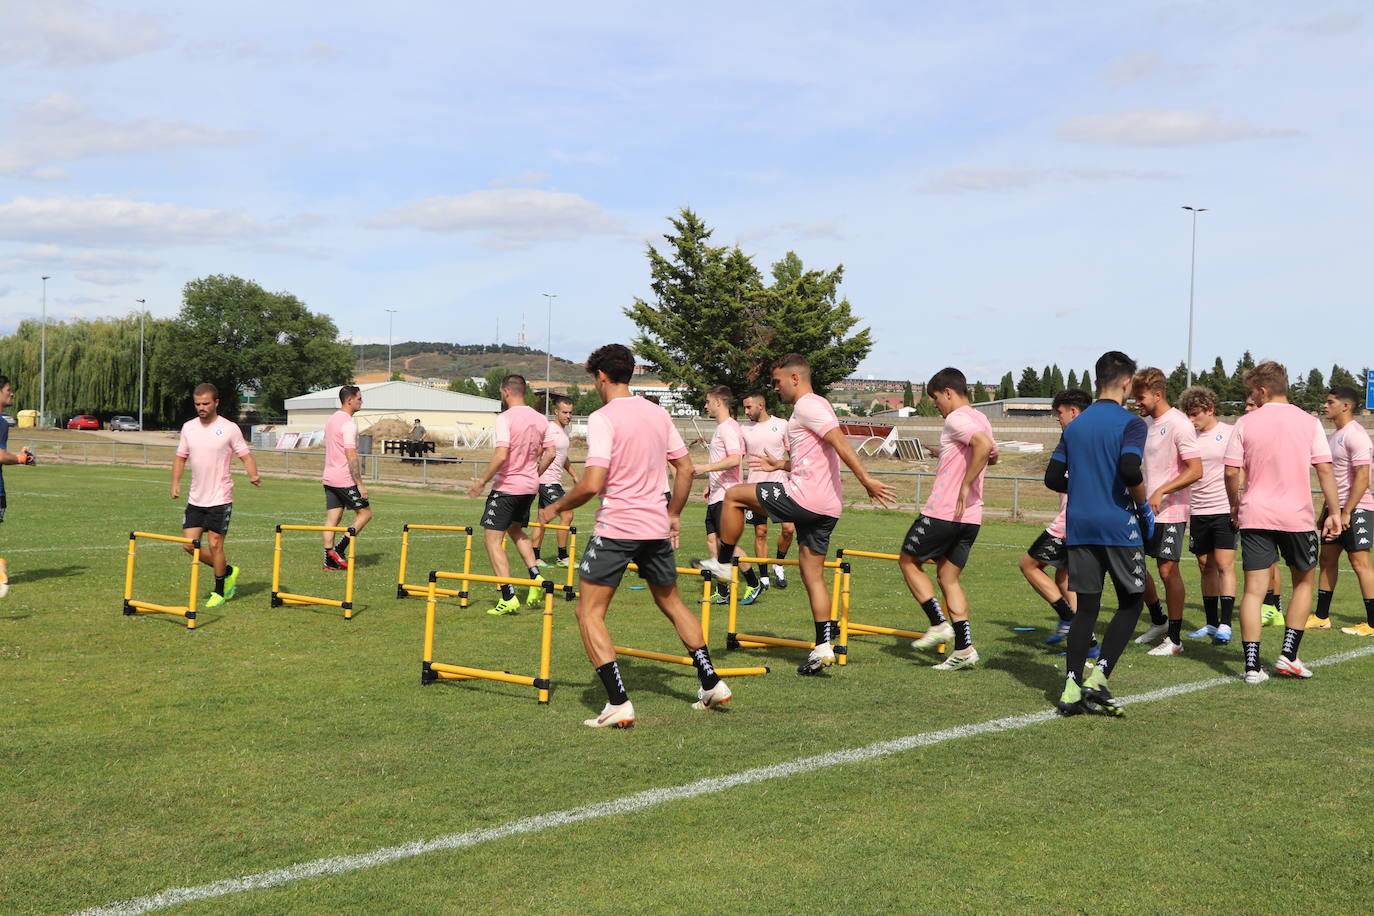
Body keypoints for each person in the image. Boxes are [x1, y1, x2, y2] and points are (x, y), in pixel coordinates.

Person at [539, 344, 731, 728]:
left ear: (602, 377)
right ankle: (711, 681)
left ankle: (618, 702)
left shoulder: (603, 417)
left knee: (588, 611)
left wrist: (554, 507)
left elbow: (593, 482)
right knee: (672, 602)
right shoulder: (657, 413)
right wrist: (673, 514)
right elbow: (686, 469)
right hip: (655, 525)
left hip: (619, 526)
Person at [698, 353, 897, 676]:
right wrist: (782, 465)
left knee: (734, 496)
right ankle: (822, 647)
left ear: (794, 378)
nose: (774, 388)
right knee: (812, 574)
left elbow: (840, 442)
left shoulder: (808, 405)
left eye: (777, 382)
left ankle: (722, 564)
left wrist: (866, 479)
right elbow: (818, 456)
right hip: (826, 506)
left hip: (804, 497)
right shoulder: (811, 410)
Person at [1223, 361, 1341, 682]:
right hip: (1297, 516)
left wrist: (1235, 505)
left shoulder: (1245, 423)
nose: (1252, 397)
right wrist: (1334, 512)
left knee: (1253, 592)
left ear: (1262, 390)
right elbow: (1325, 469)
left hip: (1255, 513)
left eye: (1252, 392)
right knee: (1303, 583)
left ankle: (1251, 667)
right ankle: (1288, 655)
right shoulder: (1309, 422)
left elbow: (1232, 472)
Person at [1047, 351, 1150, 717]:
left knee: (1086, 608)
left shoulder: (1075, 426)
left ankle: (1071, 687)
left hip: (1079, 525)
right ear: (1126, 382)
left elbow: (1052, 479)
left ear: (1097, 381)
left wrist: (1085, 486)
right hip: (1117, 524)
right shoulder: (1131, 423)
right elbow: (1129, 469)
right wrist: (1144, 509)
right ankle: (1098, 676)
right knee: (1132, 601)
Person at [901, 368, 999, 670]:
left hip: (944, 511)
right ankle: (965, 648)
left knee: (908, 560)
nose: (934, 405)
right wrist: (947, 457)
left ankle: (937, 623)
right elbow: (992, 455)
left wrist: (965, 483)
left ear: (948, 392)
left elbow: (981, 447)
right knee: (947, 577)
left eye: (934, 398)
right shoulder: (981, 418)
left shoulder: (956, 418)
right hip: (971, 517)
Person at [1130, 368, 1202, 656]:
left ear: (1158, 394)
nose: (1137, 402)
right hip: (1144, 510)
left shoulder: (1179, 424)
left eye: (1141, 397)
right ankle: (1158, 620)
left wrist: (1162, 490)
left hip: (1171, 510)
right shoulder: (1143, 424)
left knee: (1167, 568)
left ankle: (1174, 639)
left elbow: (1196, 470)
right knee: (1135, 564)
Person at [169, 383, 260, 608]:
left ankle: (219, 591)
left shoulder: (229, 428)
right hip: (196, 498)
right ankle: (228, 571)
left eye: (206, 403)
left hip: (220, 497)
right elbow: (180, 458)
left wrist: (253, 474)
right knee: (189, 545)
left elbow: (245, 456)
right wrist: (175, 483)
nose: (201, 407)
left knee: (215, 545)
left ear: (216, 403)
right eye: (198, 404)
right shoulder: (188, 428)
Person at [466, 375, 547, 614]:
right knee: (515, 530)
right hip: (530, 487)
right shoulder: (541, 419)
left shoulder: (505, 418)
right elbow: (549, 452)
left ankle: (508, 595)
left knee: (491, 539)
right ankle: (536, 577)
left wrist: (482, 481)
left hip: (507, 488)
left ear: (505, 392)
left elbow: (501, 455)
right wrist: (532, 471)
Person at [1019, 388, 1091, 644]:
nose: (1056, 417)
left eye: (1059, 412)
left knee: (1029, 565)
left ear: (1073, 411)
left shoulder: (1077, 439)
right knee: (1064, 577)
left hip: (1070, 521)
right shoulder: (1086, 437)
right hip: (1077, 518)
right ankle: (1080, 636)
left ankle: (1072, 621)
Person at [1179, 385, 1237, 645]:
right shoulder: (1189, 436)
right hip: (1198, 510)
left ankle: (1226, 624)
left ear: (1210, 409)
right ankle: (1211, 624)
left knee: (1224, 564)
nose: (1191, 420)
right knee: (1205, 565)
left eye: (1195, 414)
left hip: (1224, 508)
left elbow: (1240, 468)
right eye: (1188, 414)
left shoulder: (1229, 433)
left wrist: (1239, 501)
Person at [1313, 386, 1374, 635]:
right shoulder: (1335, 435)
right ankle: (1321, 617)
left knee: (1360, 562)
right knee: (1326, 560)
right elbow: (1334, 479)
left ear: (1345, 406)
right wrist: (1326, 511)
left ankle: (1371, 623)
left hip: (1356, 508)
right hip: (1335, 510)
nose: (1325, 406)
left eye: (1330, 402)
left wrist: (1347, 510)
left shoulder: (1356, 435)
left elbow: (1362, 476)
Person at [693, 386, 762, 606]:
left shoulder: (728, 428)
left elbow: (734, 459)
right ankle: (723, 592)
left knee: (726, 543)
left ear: (718, 402)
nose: (705, 406)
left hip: (728, 495)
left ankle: (753, 581)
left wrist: (705, 468)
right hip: (716, 493)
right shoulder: (721, 428)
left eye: (707, 401)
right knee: (712, 540)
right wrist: (710, 486)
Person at [741, 392, 795, 590]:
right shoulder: (743, 429)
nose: (746, 411)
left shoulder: (782, 425)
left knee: (788, 529)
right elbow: (736, 458)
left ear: (761, 405)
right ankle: (763, 576)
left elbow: (793, 456)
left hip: (779, 486)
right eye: (744, 407)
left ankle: (779, 564)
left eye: (749, 407)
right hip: (754, 487)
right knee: (761, 532)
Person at [321, 385, 374, 570]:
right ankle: (339, 550)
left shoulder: (331, 420)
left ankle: (328, 562)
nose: (361, 401)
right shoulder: (348, 423)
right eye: (359, 398)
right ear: (349, 400)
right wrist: (360, 484)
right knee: (365, 514)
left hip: (328, 477)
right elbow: (351, 455)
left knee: (332, 519)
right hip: (344, 478)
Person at [1245, 395, 1286, 625]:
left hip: (1270, 505)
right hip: (1258, 505)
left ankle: (1272, 606)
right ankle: (1273, 608)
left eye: (1252, 404)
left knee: (1269, 562)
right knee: (1269, 561)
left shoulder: (1268, 432)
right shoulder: (1250, 429)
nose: (1247, 408)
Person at [0, 375, 38, 599]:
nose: (11, 393)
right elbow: (1, 455)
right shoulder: (1, 423)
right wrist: (22, 458)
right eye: (8, 390)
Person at [533, 395, 579, 569]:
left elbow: (563, 457)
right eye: (565, 412)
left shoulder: (565, 431)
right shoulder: (550, 429)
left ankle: (535, 556)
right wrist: (533, 473)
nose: (568, 416)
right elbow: (538, 451)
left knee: (542, 519)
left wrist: (574, 475)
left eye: (570, 412)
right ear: (556, 412)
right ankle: (563, 557)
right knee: (567, 514)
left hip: (555, 481)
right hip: (546, 480)